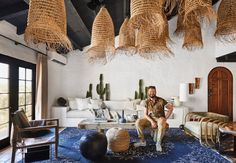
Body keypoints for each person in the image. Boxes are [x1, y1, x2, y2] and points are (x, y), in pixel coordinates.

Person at [134, 86, 173, 152]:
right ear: (148, 92)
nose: (152, 93)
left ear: (155, 92)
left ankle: (158, 143)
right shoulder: (146, 101)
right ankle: (142, 141)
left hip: (159, 119)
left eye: (153, 91)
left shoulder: (161, 100)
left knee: (155, 138)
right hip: (150, 119)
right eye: (150, 91)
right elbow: (145, 114)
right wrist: (152, 122)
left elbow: (170, 108)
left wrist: (165, 118)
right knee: (138, 122)